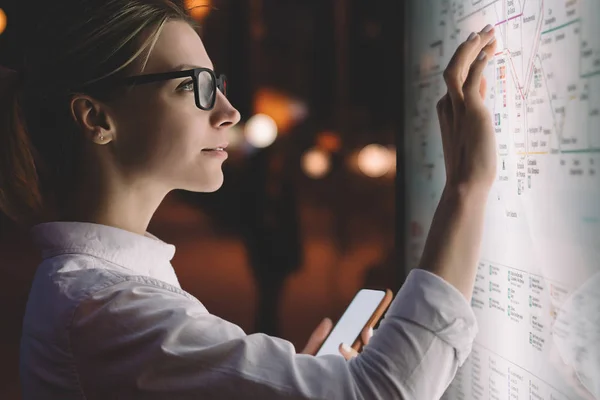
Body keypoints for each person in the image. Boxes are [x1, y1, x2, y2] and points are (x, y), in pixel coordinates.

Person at [0, 1, 498, 398]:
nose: (229, 112)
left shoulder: (101, 294)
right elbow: (384, 393)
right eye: (193, 86)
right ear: (96, 118)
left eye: (217, 84)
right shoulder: (108, 312)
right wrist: (466, 188)